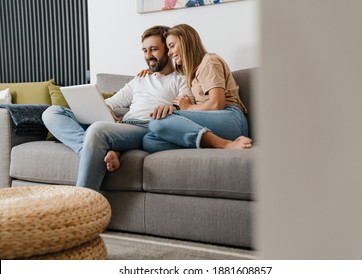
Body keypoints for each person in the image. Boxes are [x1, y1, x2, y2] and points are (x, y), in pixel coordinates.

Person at [42, 25, 192, 190]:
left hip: (145, 127)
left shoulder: (181, 80)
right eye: (144, 50)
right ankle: (93, 150)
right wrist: (104, 109)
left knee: (97, 130)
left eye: (154, 49)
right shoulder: (139, 79)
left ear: (168, 50)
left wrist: (171, 107)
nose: (148, 56)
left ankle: (83, 200)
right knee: (52, 112)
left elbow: (186, 108)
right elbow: (112, 102)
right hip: (122, 126)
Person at [142, 23, 252, 153]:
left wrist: (188, 107)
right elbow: (170, 72)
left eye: (172, 46)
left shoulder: (209, 61)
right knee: (149, 141)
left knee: (159, 121)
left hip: (231, 118)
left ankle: (225, 144)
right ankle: (208, 142)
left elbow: (217, 104)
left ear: (185, 42)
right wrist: (153, 71)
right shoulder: (191, 72)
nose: (170, 53)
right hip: (211, 122)